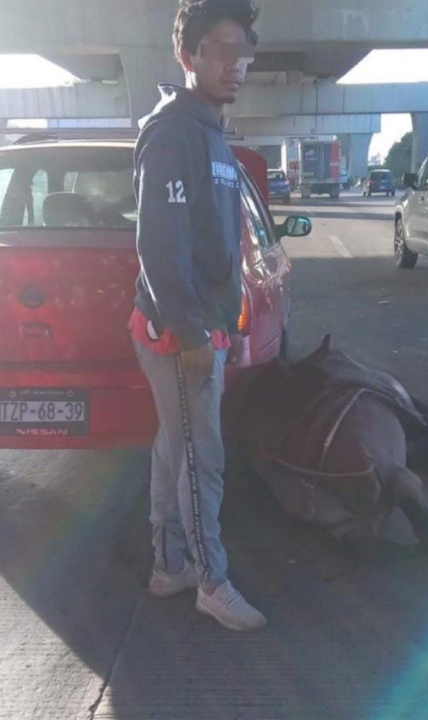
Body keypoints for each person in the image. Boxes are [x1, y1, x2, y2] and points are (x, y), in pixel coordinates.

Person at [127, 0, 266, 632]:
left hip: (202, 325)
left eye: (244, 51)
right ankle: (211, 580)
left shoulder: (210, 130)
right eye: (220, 49)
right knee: (200, 456)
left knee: (174, 446)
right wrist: (189, 333)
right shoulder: (173, 130)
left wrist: (231, 326)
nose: (236, 64)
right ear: (188, 55)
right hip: (174, 332)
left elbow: (220, 244)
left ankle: (169, 565)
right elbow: (160, 243)